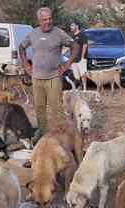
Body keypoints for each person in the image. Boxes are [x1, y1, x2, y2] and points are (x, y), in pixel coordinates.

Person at [19, 7, 79, 138]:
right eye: (45, 19)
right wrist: (26, 65)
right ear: (39, 20)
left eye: (50, 18)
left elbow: (75, 46)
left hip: (53, 77)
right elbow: (21, 47)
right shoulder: (33, 34)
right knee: (39, 108)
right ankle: (44, 134)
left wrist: (67, 64)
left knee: (56, 109)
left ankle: (59, 135)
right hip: (36, 78)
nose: (48, 21)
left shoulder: (59, 33)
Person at [70, 21, 89, 86]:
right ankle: (79, 88)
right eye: (71, 26)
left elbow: (85, 45)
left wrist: (82, 57)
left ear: (77, 26)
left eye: (72, 25)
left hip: (80, 59)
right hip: (74, 59)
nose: (71, 27)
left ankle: (84, 89)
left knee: (83, 74)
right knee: (76, 76)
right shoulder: (72, 36)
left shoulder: (82, 35)